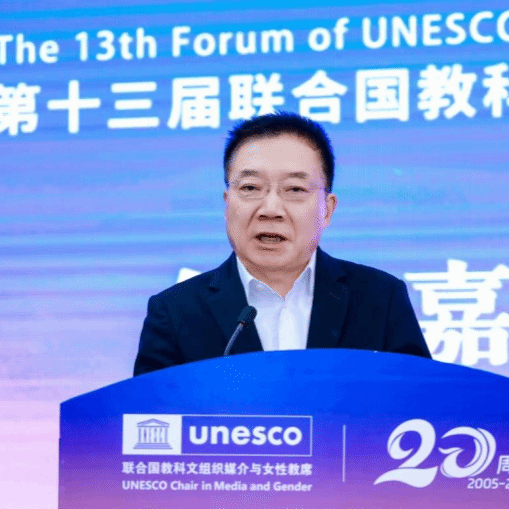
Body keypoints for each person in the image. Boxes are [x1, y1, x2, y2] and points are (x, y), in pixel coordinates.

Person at [133, 112, 430, 376]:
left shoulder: (380, 299)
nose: (271, 209)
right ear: (227, 203)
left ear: (327, 210)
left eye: (294, 189)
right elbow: (146, 415)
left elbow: (421, 405)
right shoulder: (175, 312)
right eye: (250, 187)